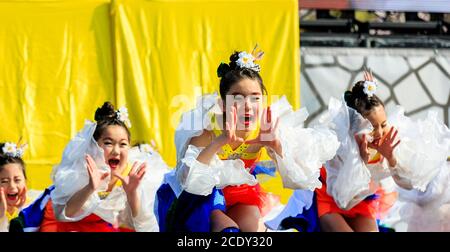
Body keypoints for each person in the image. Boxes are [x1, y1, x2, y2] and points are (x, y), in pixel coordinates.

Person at [156, 48, 339, 232]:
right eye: (238, 98)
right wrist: (221, 140)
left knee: (252, 229)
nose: (248, 106)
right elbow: (188, 179)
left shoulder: (267, 127)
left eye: (255, 98)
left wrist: (276, 146)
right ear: (223, 103)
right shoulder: (207, 128)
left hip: (239, 195)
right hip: (201, 198)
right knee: (227, 230)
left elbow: (300, 179)